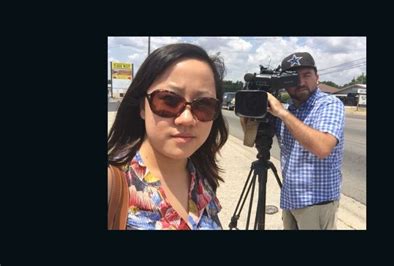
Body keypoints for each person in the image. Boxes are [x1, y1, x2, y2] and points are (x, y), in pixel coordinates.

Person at [108, 43, 228, 230]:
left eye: (204, 105)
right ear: (142, 106)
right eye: (169, 101)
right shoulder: (113, 182)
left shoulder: (203, 177)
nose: (187, 119)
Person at [243, 52, 345, 229]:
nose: (300, 82)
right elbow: (252, 137)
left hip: (317, 202)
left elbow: (323, 147)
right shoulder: (289, 109)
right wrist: (252, 102)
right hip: (290, 199)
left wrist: (282, 113)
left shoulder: (329, 104)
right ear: (283, 84)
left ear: (317, 77)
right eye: (293, 78)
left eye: (307, 75)